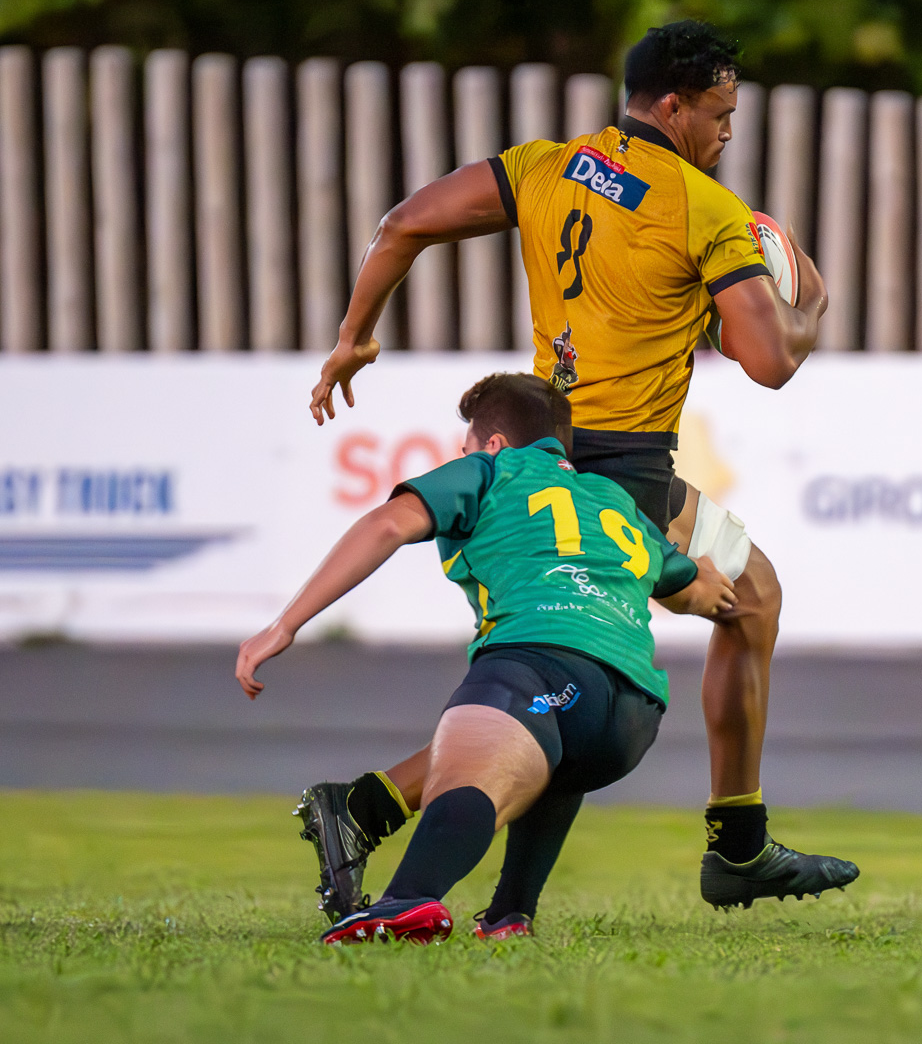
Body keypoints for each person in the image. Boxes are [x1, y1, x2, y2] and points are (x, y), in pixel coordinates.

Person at [297, 19, 857, 916]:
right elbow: (771, 360)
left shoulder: (545, 167)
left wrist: (354, 336)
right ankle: (732, 852)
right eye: (719, 114)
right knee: (591, 676)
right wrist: (812, 302)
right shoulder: (705, 209)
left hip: (542, 452)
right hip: (623, 473)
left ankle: (369, 813)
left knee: (722, 609)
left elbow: (402, 224)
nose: (725, 133)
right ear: (673, 108)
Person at [239, 373, 739, 943]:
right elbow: (694, 587)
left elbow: (386, 524)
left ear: (494, 442)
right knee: (548, 745)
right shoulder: (615, 501)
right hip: (631, 716)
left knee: (475, 758)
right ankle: (508, 915)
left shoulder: (491, 471)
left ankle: (405, 900)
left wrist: (284, 625)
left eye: (467, 445)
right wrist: (720, 593)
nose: (464, 455)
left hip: (538, 661)